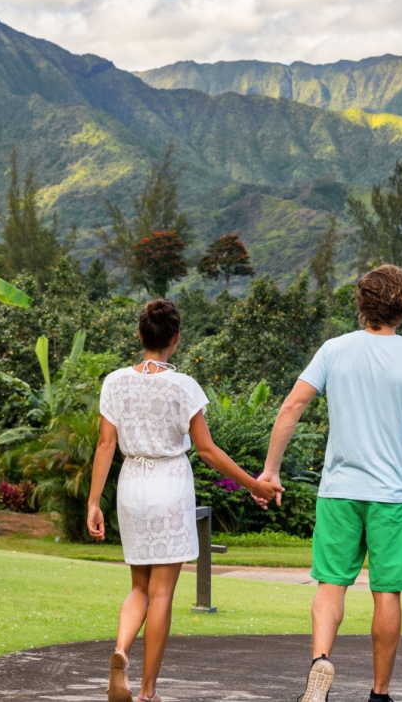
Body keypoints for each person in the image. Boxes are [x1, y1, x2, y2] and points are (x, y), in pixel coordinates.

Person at [259, 264, 402, 702]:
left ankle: (320, 660)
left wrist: (271, 470)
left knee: (330, 585)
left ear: (361, 305)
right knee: (387, 593)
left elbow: (291, 407)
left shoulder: (334, 350)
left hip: (339, 489)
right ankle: (379, 694)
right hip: (393, 496)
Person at [88, 298, 282, 702]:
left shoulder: (115, 382)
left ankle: (122, 648)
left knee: (138, 587)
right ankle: (146, 691)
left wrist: (93, 502)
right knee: (162, 594)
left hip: (131, 488)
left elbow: (106, 444)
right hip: (169, 485)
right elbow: (208, 451)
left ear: (141, 336)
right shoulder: (183, 386)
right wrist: (252, 484)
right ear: (175, 339)